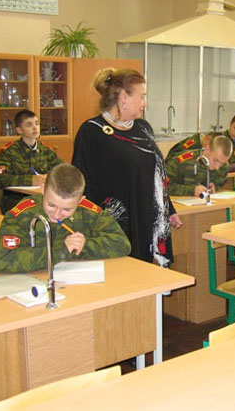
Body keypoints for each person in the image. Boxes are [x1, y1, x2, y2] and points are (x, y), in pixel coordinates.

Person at [72, 68, 182, 266]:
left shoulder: (143, 127)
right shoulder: (92, 131)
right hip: (116, 224)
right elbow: (81, 185)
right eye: (142, 97)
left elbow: (155, 173)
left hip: (149, 219)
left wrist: (169, 208)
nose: (145, 103)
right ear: (123, 97)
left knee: (152, 276)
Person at [0, 164, 131, 273]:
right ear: (42, 190)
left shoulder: (88, 212)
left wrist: (80, 245)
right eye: (51, 205)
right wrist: (61, 251)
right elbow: (3, 259)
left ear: (80, 201)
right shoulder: (24, 213)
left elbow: (121, 244)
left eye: (67, 209)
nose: (57, 215)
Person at [0, 110, 63, 214]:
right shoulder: (8, 152)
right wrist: (30, 180)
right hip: (16, 201)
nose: (35, 128)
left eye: (37, 123)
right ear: (19, 130)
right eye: (29, 125)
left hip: (44, 198)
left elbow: (62, 172)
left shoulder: (46, 150)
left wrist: (49, 177)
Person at [166, 135, 232, 197]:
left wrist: (215, 187)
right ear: (207, 149)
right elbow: (164, 187)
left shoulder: (223, 167)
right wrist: (192, 190)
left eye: (221, 163)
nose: (217, 166)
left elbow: (220, 182)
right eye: (215, 160)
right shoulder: (181, 162)